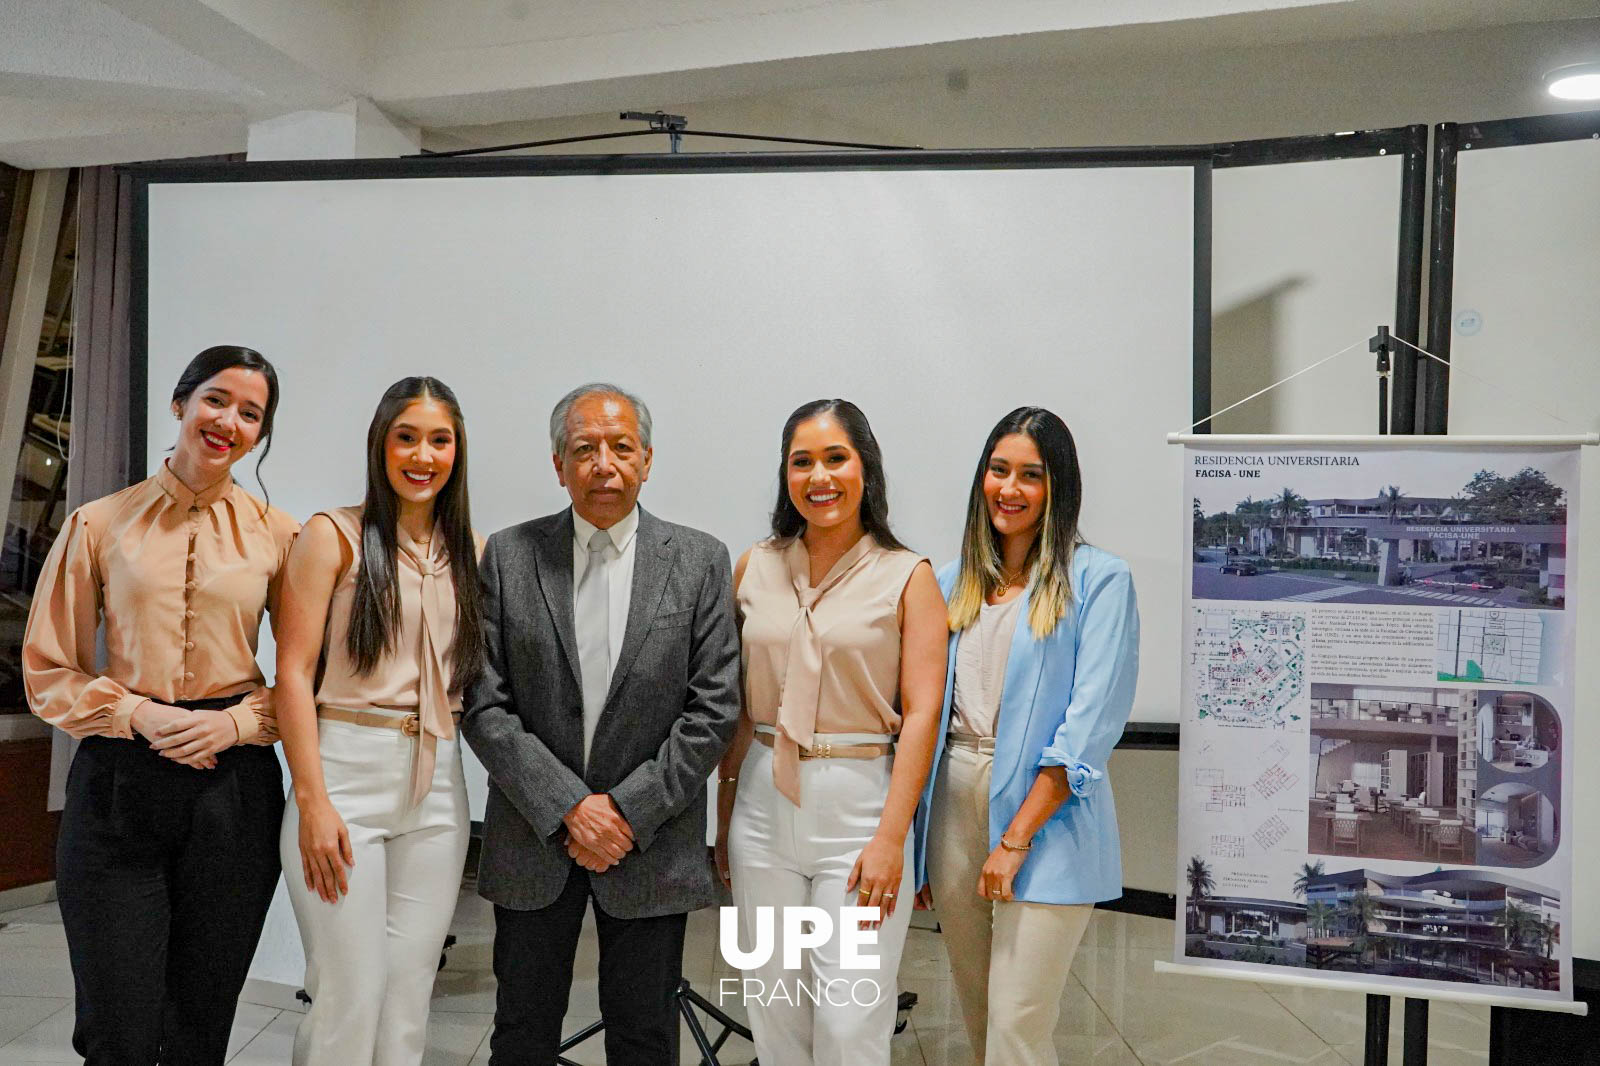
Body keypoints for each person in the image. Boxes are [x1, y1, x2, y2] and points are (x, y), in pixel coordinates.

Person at [23, 345, 297, 1066]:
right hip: (119, 782)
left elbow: (309, 677)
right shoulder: (98, 524)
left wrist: (235, 723)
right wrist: (137, 715)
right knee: (117, 1030)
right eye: (216, 399)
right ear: (180, 404)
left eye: (250, 413)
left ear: (259, 435)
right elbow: (47, 668)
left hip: (234, 790)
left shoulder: (282, 535)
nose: (228, 421)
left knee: (201, 1028)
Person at [462, 382, 740, 1065]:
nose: (604, 464)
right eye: (584, 449)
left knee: (645, 1036)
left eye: (621, 448)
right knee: (521, 1031)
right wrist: (570, 810)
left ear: (647, 460)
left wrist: (623, 812)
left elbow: (713, 709)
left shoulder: (700, 560)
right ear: (559, 465)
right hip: (533, 837)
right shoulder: (509, 554)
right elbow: (484, 703)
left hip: (650, 844)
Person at [714, 398, 946, 1066]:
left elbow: (924, 714)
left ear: (865, 467)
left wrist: (892, 838)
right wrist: (726, 811)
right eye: (802, 461)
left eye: (835, 457)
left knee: (850, 1019)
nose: (820, 475)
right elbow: (735, 706)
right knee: (777, 1008)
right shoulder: (754, 565)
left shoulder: (909, 576)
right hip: (762, 804)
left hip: (859, 809)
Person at [913, 407, 1139, 1066]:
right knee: (981, 1015)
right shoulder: (950, 584)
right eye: (999, 470)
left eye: (1031, 475)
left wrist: (1014, 839)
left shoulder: (1100, 579)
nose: (1009, 489)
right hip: (955, 802)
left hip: (1049, 815)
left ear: (1057, 487)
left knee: (1018, 1024)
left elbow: (1090, 725)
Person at [274, 377, 484, 1065]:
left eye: (440, 440)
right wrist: (312, 802)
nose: (423, 455)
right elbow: (294, 678)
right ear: (381, 444)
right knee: (346, 996)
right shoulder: (330, 536)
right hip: (344, 776)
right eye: (407, 437)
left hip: (438, 788)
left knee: (406, 1000)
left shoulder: (471, 552)